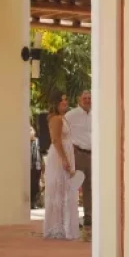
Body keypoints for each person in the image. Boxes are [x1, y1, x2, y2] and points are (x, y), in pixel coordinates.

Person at [43, 92, 80, 240]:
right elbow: (56, 140)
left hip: (66, 153)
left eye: (66, 99)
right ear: (56, 103)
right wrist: (64, 159)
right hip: (59, 156)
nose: (65, 102)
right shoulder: (56, 119)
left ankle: (64, 226)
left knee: (65, 190)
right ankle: (56, 227)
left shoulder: (63, 118)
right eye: (61, 100)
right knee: (59, 189)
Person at [65, 91, 92, 231]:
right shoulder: (71, 115)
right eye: (85, 98)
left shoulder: (96, 113)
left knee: (90, 187)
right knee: (75, 186)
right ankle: (72, 218)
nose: (87, 100)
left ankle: (89, 217)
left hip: (93, 154)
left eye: (89, 98)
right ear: (79, 99)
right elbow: (62, 130)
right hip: (78, 153)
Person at [30, 126, 45, 209]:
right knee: (28, 185)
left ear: (34, 131)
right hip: (27, 167)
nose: (30, 132)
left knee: (36, 185)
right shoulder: (24, 141)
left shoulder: (38, 141)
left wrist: (43, 169)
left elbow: (41, 154)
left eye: (31, 130)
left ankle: (34, 203)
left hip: (37, 166)